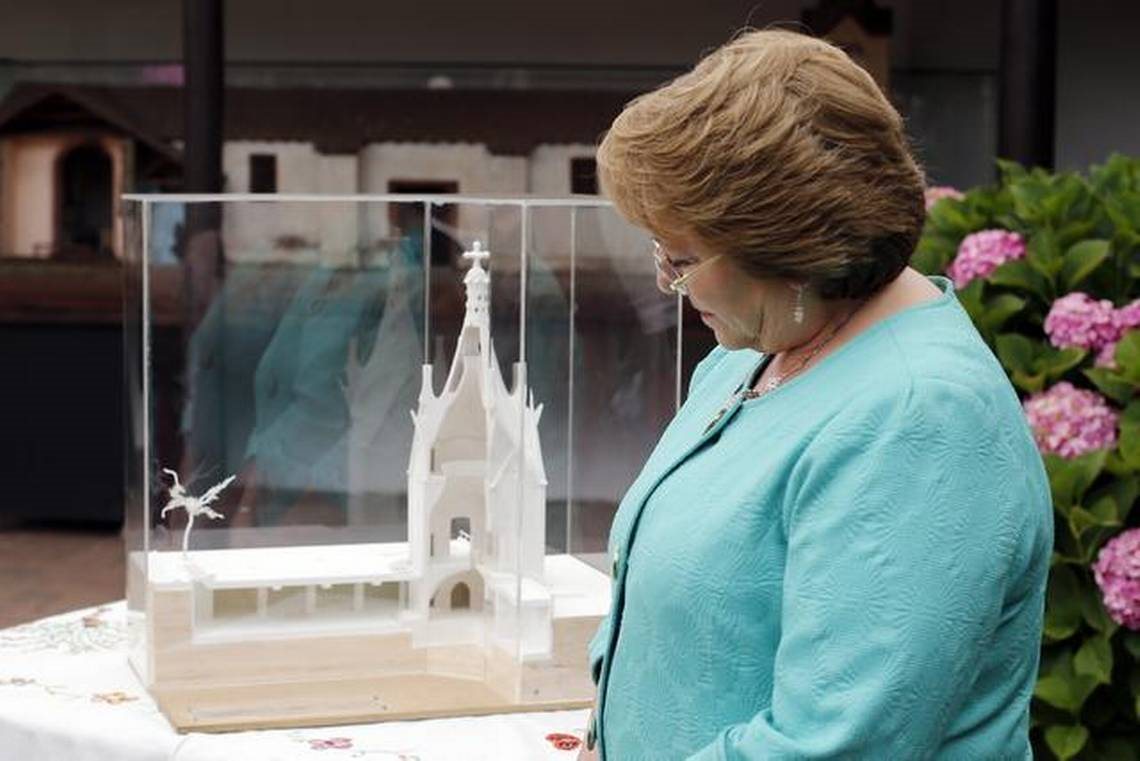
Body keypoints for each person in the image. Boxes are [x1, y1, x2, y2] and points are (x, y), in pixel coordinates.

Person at [580, 29, 1052, 760]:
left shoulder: (920, 416)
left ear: (788, 246)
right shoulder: (751, 356)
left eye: (681, 257)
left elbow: (834, 743)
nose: (664, 282)